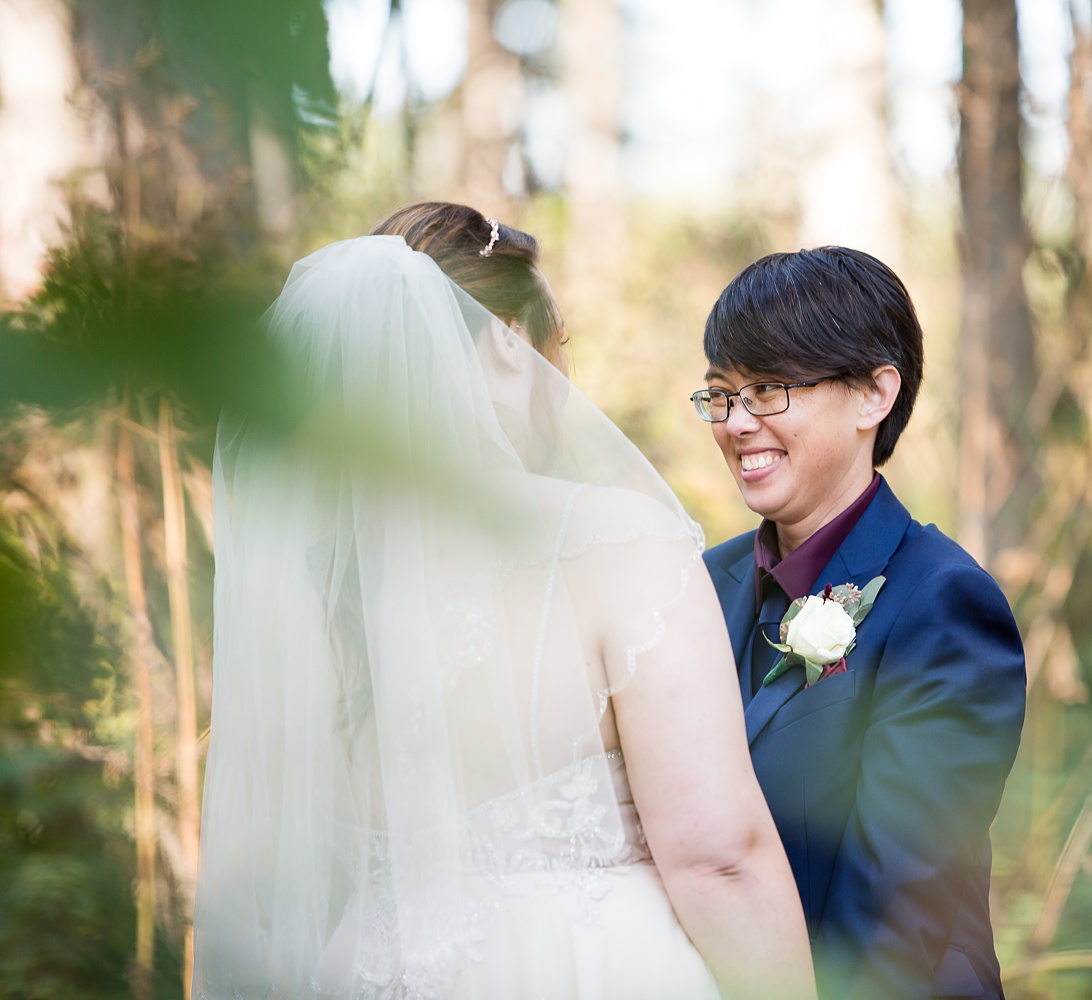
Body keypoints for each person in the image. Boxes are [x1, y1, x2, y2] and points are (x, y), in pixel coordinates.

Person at [192, 202, 816, 1000]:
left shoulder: (315, 589)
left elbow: (280, 882)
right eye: (560, 342)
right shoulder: (616, 542)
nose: (567, 376)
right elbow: (718, 857)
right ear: (509, 343)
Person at [693, 247, 1028, 1000]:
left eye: (770, 389)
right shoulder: (694, 587)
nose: (737, 423)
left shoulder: (944, 605)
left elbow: (896, 922)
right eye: (721, 395)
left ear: (875, 394)